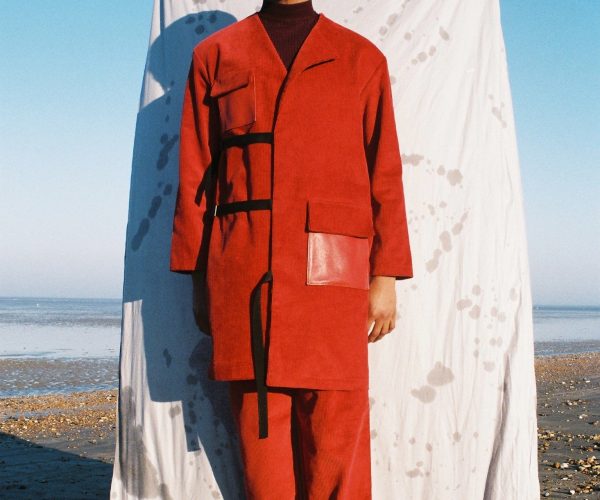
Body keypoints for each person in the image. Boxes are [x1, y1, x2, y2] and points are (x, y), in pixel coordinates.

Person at [169, 0, 414, 497]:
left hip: (334, 283)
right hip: (244, 280)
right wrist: (199, 279)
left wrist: (385, 274)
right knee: (262, 463)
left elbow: (383, 171)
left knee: (336, 453)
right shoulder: (217, 55)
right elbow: (195, 174)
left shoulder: (360, 59)